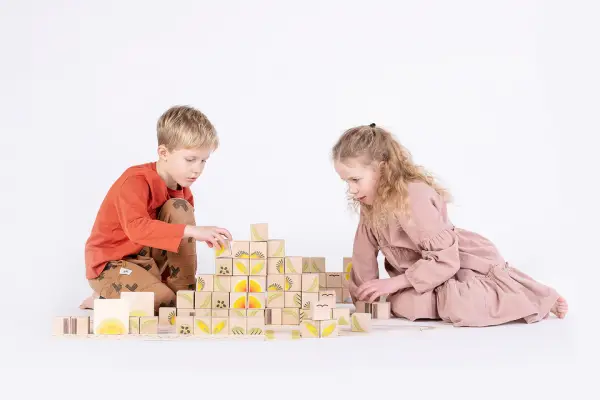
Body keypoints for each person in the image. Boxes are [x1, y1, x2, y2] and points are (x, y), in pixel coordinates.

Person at [332, 123, 568, 327]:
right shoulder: (370, 204)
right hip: (422, 276)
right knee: (405, 305)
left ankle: (537, 297)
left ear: (382, 169)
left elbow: (446, 259)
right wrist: (363, 300)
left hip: (458, 263)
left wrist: (394, 282)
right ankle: (433, 297)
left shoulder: (413, 197)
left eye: (356, 180)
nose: (352, 190)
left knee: (461, 307)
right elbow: (363, 256)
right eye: (346, 182)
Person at [80, 105, 232, 311]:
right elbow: (137, 229)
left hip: (148, 264)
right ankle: (103, 298)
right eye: (190, 160)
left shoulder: (183, 190)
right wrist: (194, 231)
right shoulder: (135, 180)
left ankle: (183, 291)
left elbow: (177, 243)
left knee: (180, 208)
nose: (197, 169)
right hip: (111, 265)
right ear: (164, 152)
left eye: (203, 161)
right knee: (164, 303)